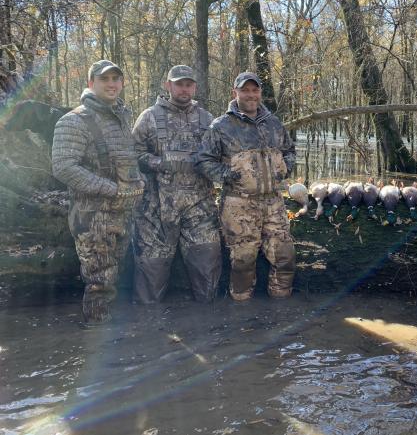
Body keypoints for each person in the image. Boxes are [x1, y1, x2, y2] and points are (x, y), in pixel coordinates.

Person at [52, 60, 144, 325]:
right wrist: (111, 189)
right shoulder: (73, 121)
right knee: (99, 283)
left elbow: (128, 160)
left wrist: (138, 184)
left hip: (123, 213)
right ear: (91, 84)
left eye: (116, 79)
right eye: (105, 79)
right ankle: (96, 337)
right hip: (92, 216)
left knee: (117, 275)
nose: (111, 84)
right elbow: (63, 167)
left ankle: (115, 341)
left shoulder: (122, 118)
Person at [195, 71, 296, 301]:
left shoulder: (273, 123)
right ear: (235, 92)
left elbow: (289, 151)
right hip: (238, 204)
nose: (250, 94)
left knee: (285, 257)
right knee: (242, 261)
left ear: (260, 92)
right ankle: (240, 312)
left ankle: (282, 310)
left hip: (273, 202)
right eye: (245, 90)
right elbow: (203, 160)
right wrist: (228, 175)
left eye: (255, 90)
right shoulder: (220, 126)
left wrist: (283, 169)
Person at [131, 65, 222, 304]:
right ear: (168, 85)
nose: (184, 88)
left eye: (188, 84)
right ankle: (148, 332)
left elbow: (218, 157)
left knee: (207, 270)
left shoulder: (208, 119)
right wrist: (161, 162)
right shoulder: (149, 116)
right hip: (156, 211)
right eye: (179, 84)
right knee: (151, 277)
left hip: (200, 211)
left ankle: (209, 331)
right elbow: (133, 155)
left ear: (194, 87)